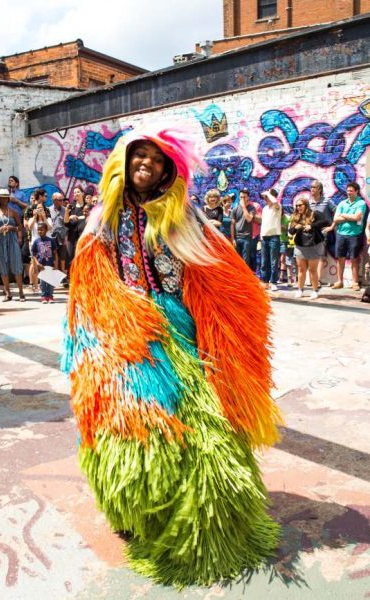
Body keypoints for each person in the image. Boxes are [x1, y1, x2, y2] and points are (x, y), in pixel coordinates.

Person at [62, 128, 281, 586]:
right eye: (138, 155)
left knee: (199, 420)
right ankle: (136, 508)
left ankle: (197, 516)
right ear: (124, 162)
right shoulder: (104, 214)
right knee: (131, 419)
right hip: (124, 327)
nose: (145, 163)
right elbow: (88, 271)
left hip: (177, 326)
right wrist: (113, 314)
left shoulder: (184, 213)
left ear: (167, 169)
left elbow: (219, 266)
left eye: (155, 159)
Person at [288, 197, 328, 299]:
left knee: (312, 270)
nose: (298, 207)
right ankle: (300, 290)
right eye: (297, 206)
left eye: (300, 205)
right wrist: (295, 228)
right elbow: (291, 231)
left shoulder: (314, 213)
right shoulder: (295, 216)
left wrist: (312, 226)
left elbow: (325, 222)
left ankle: (315, 290)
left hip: (313, 245)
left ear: (306, 205)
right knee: (301, 269)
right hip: (300, 246)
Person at [0, 189, 25, 301]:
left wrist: (12, 228)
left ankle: (21, 292)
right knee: (2, 266)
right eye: (2, 197)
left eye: (6, 197)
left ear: (8, 199)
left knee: (16, 264)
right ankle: (8, 293)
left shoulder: (14, 212)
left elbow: (20, 227)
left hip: (12, 239)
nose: (4, 199)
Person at [332, 182, 367, 291]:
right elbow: (335, 219)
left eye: (351, 191)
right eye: (348, 191)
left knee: (354, 259)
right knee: (340, 258)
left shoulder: (361, 203)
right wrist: (349, 217)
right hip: (341, 234)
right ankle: (339, 281)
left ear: (356, 191)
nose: (349, 193)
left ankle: (355, 282)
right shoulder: (342, 203)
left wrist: (343, 215)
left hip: (354, 234)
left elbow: (357, 217)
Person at [308, 179, 336, 284]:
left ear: (320, 189)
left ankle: (317, 280)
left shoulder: (327, 201)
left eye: (314, 187)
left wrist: (332, 226)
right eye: (311, 187)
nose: (312, 189)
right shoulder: (309, 202)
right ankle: (312, 278)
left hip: (323, 234)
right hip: (311, 234)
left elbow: (337, 212)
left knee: (320, 257)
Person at [25, 196, 53, 294]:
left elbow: (49, 228)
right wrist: (34, 216)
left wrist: (44, 217)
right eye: (37, 209)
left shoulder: (48, 219)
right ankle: (35, 285)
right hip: (35, 244)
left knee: (45, 265)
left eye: (41, 209)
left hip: (45, 245)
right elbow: (29, 227)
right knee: (34, 265)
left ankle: (45, 286)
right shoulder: (32, 219)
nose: (39, 210)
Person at [260, 189, 282, 291]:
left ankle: (273, 282)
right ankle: (265, 281)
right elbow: (263, 223)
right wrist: (261, 235)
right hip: (265, 237)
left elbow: (275, 202)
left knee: (274, 261)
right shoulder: (265, 209)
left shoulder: (277, 207)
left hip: (274, 237)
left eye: (267, 196)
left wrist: (269, 193)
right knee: (264, 261)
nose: (265, 198)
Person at [31, 222, 58, 304]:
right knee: (42, 282)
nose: (39, 231)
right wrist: (37, 263)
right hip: (41, 265)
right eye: (38, 230)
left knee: (50, 281)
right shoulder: (36, 242)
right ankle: (43, 296)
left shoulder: (51, 240)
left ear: (46, 230)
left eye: (41, 230)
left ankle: (50, 296)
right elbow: (33, 254)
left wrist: (56, 264)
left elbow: (55, 253)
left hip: (50, 264)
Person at [231, 188, 256, 267]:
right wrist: (233, 238)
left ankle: (245, 277)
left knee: (245, 260)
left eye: (244, 197)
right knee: (237, 259)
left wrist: (244, 207)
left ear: (248, 197)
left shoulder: (251, 208)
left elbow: (249, 219)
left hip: (246, 237)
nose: (242, 199)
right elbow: (232, 224)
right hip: (237, 237)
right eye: (241, 197)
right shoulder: (235, 209)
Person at [65, 185, 86, 267]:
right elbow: (66, 223)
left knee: (83, 259)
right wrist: (68, 215)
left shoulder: (87, 207)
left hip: (84, 238)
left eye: (78, 192)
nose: (76, 194)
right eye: (74, 192)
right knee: (71, 259)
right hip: (72, 238)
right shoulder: (71, 207)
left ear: (82, 194)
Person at [49, 192, 68, 275]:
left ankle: (63, 275)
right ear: (54, 200)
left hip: (62, 236)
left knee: (63, 256)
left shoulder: (65, 210)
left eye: (62, 200)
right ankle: (55, 274)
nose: (62, 201)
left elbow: (67, 223)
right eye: (60, 200)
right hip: (52, 236)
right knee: (54, 256)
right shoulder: (48, 210)